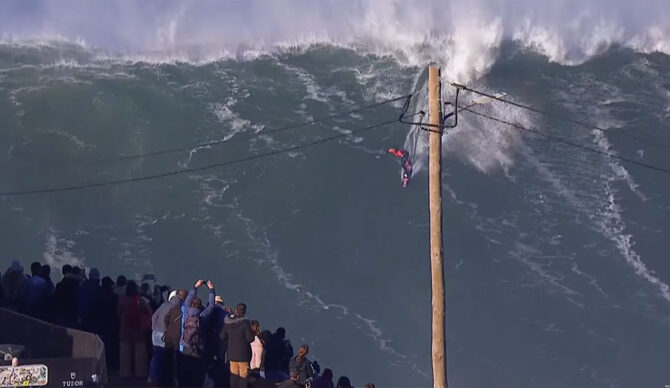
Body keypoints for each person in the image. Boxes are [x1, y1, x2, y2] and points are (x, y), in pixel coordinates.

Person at [178, 279, 216, 387]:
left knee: (184, 367)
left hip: (185, 344)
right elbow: (212, 305)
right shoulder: (202, 316)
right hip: (198, 346)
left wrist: (195, 287)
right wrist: (212, 290)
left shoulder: (186, 311)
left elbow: (188, 300)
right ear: (200, 306)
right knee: (196, 369)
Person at [149, 288, 186, 386]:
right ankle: (161, 379)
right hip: (164, 335)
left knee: (156, 356)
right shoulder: (177, 309)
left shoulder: (164, 304)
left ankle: (152, 377)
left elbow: (153, 317)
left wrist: (154, 329)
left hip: (155, 333)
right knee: (164, 357)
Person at [117, 281, 152, 379]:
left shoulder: (122, 300)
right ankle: (140, 373)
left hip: (125, 329)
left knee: (125, 353)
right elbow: (148, 312)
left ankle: (124, 373)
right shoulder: (140, 300)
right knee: (140, 354)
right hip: (138, 329)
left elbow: (118, 311)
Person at [221, 302, 255, 388]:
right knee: (243, 376)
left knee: (234, 376)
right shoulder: (245, 324)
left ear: (236, 310)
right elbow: (250, 339)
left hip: (232, 354)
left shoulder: (229, 323)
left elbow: (222, 336)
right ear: (244, 312)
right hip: (243, 355)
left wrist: (230, 341)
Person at [204, 294, 232, 386]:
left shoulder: (209, 312)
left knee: (207, 361)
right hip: (221, 341)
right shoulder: (226, 314)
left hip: (209, 339)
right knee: (220, 362)